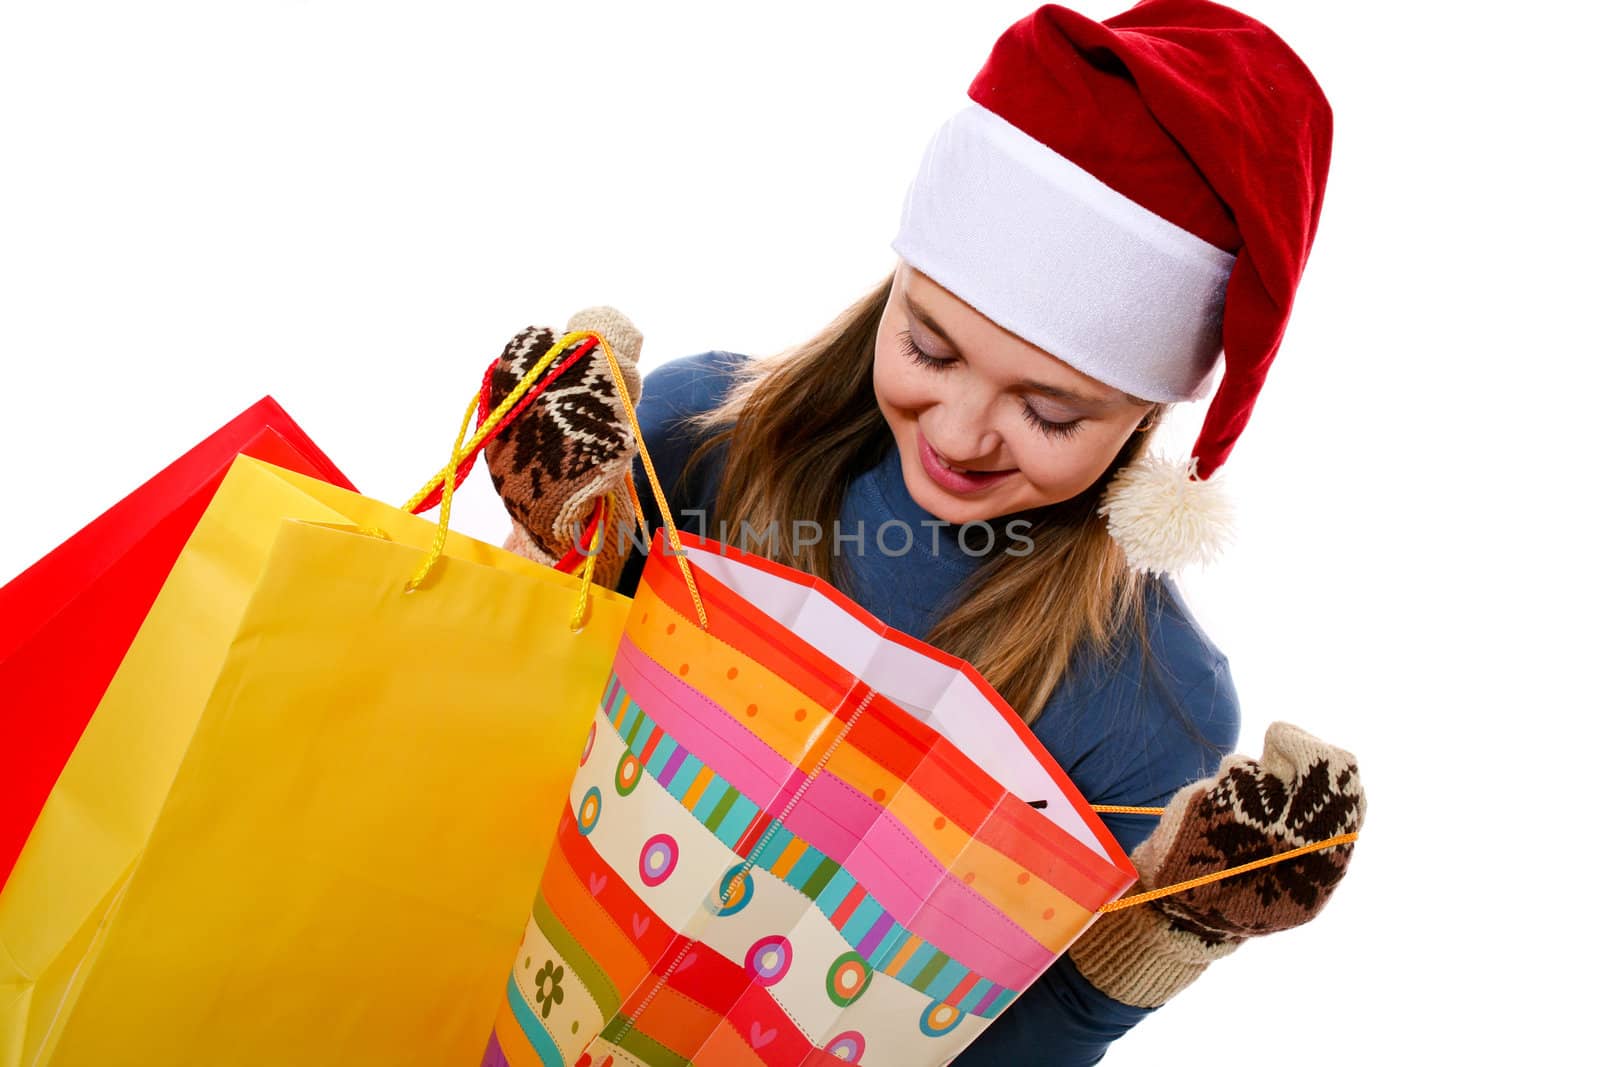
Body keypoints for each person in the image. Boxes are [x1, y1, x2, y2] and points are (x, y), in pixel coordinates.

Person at [608, 1, 1336, 1061]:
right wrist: (550, 542)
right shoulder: (698, 435)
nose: (959, 434)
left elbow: (983, 1044)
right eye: (928, 347)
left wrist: (1165, 931)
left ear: (1147, 415)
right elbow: (496, 748)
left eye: (1050, 413)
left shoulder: (1147, 699)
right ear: (892, 288)